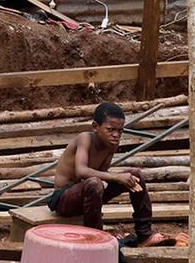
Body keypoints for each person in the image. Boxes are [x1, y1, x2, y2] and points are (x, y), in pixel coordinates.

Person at [51, 103, 178, 248]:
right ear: (95, 127)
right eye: (110, 130)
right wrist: (117, 177)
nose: (116, 135)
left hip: (88, 193)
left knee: (135, 175)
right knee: (94, 183)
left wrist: (121, 180)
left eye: (120, 131)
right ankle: (95, 240)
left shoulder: (111, 144)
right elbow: (81, 171)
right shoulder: (85, 139)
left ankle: (144, 234)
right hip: (64, 200)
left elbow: (102, 177)